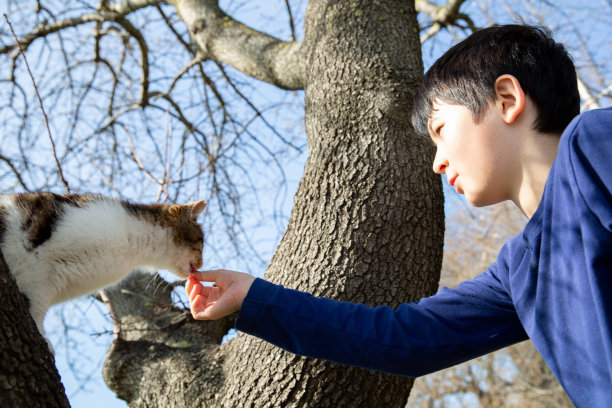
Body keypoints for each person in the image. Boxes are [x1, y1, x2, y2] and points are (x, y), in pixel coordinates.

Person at [185, 24, 612, 407]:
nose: (437, 163)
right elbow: (406, 339)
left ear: (506, 98)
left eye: (441, 130)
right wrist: (255, 296)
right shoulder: (520, 271)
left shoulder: (592, 141)